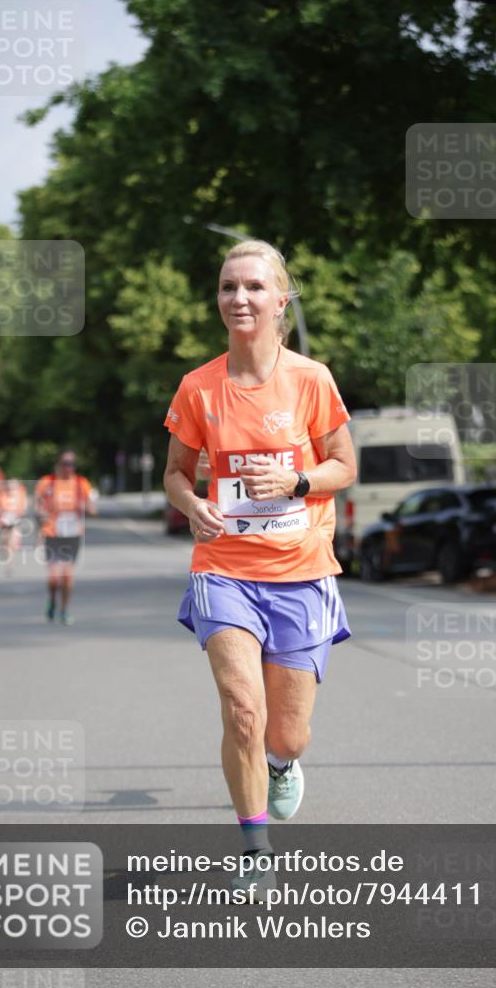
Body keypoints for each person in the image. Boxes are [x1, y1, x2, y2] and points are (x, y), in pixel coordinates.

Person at [163, 239, 356, 901]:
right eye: (226, 287)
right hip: (223, 568)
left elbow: (344, 466)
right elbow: (175, 474)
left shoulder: (310, 379)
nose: (237, 298)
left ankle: (280, 765)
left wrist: (297, 480)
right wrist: (192, 506)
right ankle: (254, 845)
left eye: (251, 287)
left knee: (285, 732)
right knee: (241, 708)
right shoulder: (198, 387)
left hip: (300, 571)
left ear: (281, 300)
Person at [35, 450, 97, 625]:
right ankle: (52, 601)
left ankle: (64, 610)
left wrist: (83, 506)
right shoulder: (47, 482)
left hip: (72, 535)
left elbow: (93, 509)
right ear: (58, 464)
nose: (68, 467)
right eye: (64, 463)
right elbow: (37, 505)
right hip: (52, 534)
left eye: (71, 463)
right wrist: (43, 515)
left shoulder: (81, 483)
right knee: (54, 578)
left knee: (67, 577)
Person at [0, 478, 28, 573]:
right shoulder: (2, 495)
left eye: (13, 486)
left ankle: (9, 565)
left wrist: (18, 514)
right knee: (5, 542)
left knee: (11, 543)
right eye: (9, 486)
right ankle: (5, 551)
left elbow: (24, 509)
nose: (11, 488)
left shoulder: (21, 495)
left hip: (15, 521)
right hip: (4, 522)